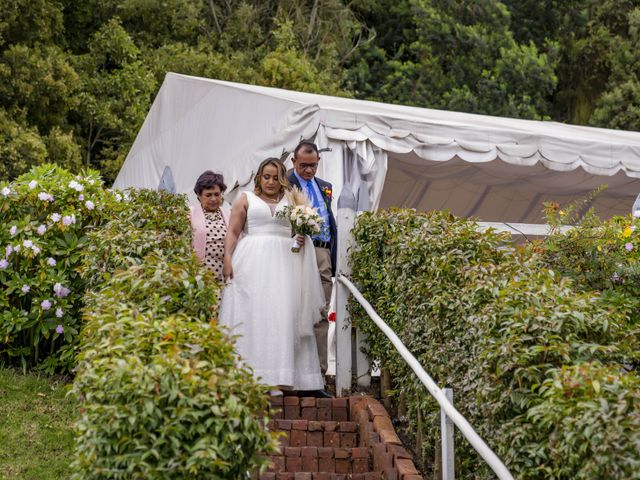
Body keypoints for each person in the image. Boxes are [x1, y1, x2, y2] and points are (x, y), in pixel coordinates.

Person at [219, 158, 324, 394]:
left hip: (285, 263)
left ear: (282, 179)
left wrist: (300, 237)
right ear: (259, 177)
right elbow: (234, 231)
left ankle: (281, 376)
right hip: (251, 262)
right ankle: (251, 376)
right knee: (254, 315)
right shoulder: (245, 198)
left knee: (282, 315)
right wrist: (227, 258)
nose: (270, 182)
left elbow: (298, 231)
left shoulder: (292, 200)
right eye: (266, 177)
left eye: (275, 177)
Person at [288, 141, 337, 377]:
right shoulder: (283, 184)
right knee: (294, 309)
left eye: (314, 166)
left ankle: (319, 370)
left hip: (323, 252)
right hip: (297, 250)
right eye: (304, 165)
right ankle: (293, 369)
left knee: (321, 311)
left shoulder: (325, 186)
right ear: (293, 162)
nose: (309, 171)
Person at [189, 171, 229, 283]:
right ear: (199, 196)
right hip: (200, 273)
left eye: (217, 194)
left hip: (225, 272)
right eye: (208, 195)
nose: (213, 199)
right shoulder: (190, 214)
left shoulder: (229, 214)